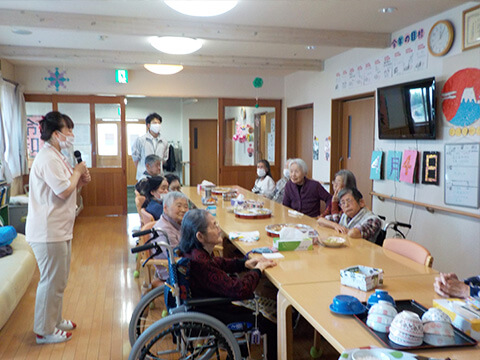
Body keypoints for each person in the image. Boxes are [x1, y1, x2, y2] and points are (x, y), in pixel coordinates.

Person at [26, 111, 91, 344]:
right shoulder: (48, 158)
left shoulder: (57, 156)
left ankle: (54, 319)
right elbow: (63, 191)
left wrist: (79, 181)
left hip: (59, 228)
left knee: (59, 279)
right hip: (47, 230)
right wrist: (76, 173)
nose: (72, 135)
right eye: (68, 130)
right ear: (55, 134)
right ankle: (44, 330)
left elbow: (68, 190)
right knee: (51, 280)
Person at [178, 209, 277, 359]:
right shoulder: (201, 263)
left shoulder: (195, 253)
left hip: (205, 306)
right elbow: (241, 290)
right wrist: (257, 270)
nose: (219, 229)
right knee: (271, 327)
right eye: (214, 226)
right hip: (213, 312)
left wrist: (244, 264)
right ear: (200, 236)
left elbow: (220, 262)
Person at [316, 187, 381, 242]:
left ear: (361, 202)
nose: (346, 205)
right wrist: (335, 225)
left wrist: (342, 229)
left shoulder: (373, 220)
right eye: (343, 203)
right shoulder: (344, 216)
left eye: (349, 201)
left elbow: (353, 233)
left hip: (363, 253)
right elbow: (320, 221)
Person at [150, 191, 189, 282]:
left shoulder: (176, 224)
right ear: (165, 208)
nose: (183, 210)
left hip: (182, 265)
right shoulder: (164, 229)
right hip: (172, 273)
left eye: (186, 207)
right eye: (178, 206)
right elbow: (176, 256)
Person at [131, 113, 169, 181]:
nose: (157, 125)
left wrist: (156, 168)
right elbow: (135, 158)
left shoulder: (164, 141)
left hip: (159, 175)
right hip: (144, 175)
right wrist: (143, 169)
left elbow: (164, 159)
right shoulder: (141, 140)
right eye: (154, 123)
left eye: (159, 123)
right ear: (148, 125)